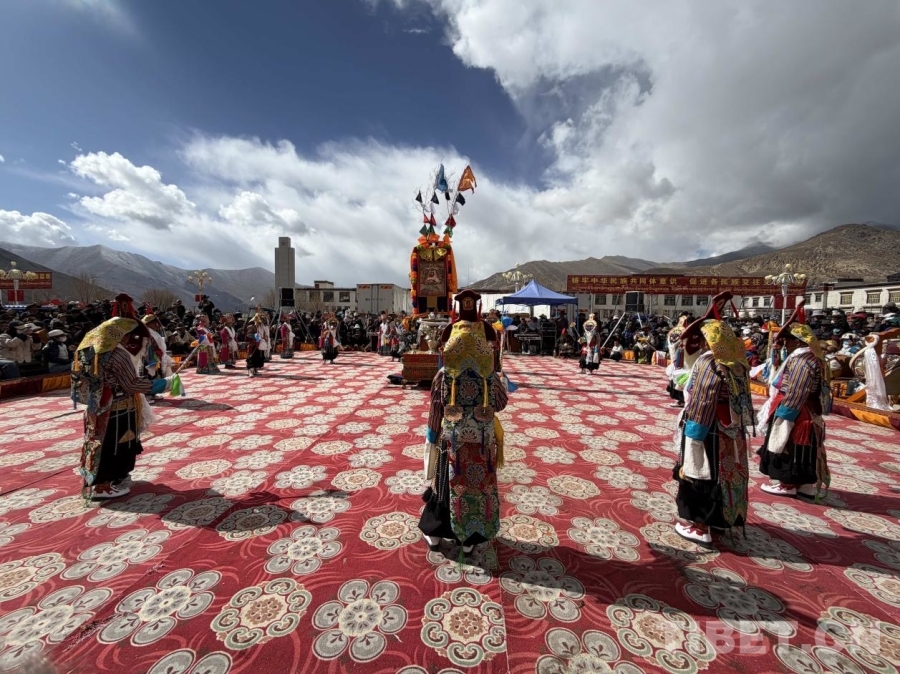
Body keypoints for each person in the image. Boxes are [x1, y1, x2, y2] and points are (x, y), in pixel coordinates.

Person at [419, 290, 509, 556]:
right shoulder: (489, 376)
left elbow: (435, 408)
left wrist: (432, 436)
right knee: (476, 486)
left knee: (446, 484)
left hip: (452, 440)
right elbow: (501, 403)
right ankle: (470, 537)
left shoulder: (444, 375)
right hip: (481, 441)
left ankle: (436, 533)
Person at [672, 292, 755, 547]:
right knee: (727, 473)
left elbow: (704, 399)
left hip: (709, 428)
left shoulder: (709, 362)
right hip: (732, 428)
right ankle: (722, 518)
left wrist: (693, 432)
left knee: (701, 472)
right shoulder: (737, 364)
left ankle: (701, 525)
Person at [72, 317, 174, 500]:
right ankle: (102, 485)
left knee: (97, 441)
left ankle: (100, 479)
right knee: (114, 444)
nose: (129, 339)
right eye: (127, 335)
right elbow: (131, 384)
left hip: (96, 406)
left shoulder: (88, 351)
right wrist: (164, 384)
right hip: (118, 407)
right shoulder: (118, 354)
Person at [757, 302, 830, 501]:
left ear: (798, 342)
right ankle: (804, 485)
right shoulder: (814, 358)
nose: (785, 344)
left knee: (788, 444)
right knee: (804, 448)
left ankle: (788, 483)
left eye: (788, 340)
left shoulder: (802, 361)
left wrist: (785, 415)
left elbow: (798, 390)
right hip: (808, 409)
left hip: (797, 411)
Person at [665, 314, 691, 407]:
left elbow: (670, 343)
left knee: (678, 378)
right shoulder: (686, 331)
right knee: (680, 378)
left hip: (677, 357)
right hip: (682, 358)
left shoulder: (672, 331)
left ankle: (680, 400)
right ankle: (681, 400)